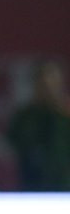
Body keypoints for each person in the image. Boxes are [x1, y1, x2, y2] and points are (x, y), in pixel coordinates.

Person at [7, 60, 70, 191]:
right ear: (35, 85)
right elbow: (12, 144)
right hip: (31, 184)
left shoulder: (66, 115)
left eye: (52, 85)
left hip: (64, 185)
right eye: (43, 85)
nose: (48, 90)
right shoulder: (25, 116)